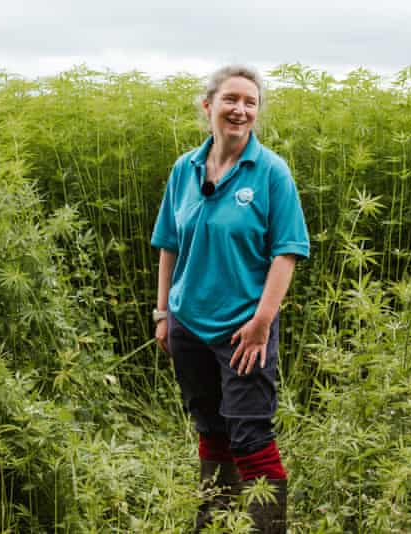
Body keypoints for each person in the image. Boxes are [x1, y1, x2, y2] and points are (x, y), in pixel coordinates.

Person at [151, 65, 309, 533]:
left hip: (244, 328)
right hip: (188, 325)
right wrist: (164, 314)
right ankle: (215, 523)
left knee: (251, 435)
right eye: (230, 100)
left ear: (257, 113)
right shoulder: (186, 168)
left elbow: (288, 252)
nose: (240, 110)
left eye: (250, 103)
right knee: (210, 430)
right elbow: (169, 244)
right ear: (208, 106)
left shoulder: (271, 173)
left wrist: (262, 322)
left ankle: (268, 528)